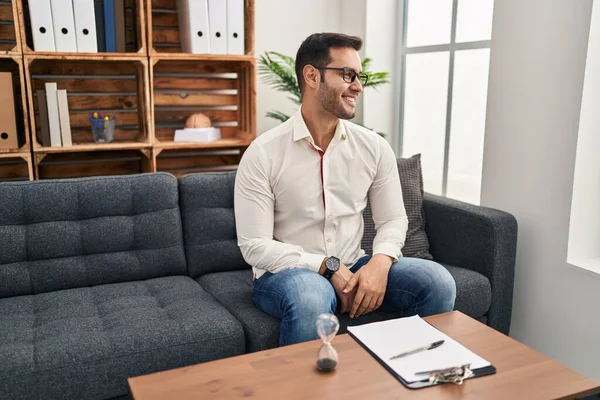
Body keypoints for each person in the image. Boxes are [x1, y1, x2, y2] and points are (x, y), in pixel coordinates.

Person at [234, 32, 456, 346]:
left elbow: (392, 220)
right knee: (313, 296)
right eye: (347, 75)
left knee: (436, 282)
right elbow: (254, 245)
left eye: (358, 75)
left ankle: (407, 380)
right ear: (312, 76)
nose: (358, 86)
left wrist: (380, 262)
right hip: (287, 273)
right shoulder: (263, 154)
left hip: (357, 262)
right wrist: (326, 266)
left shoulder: (374, 148)